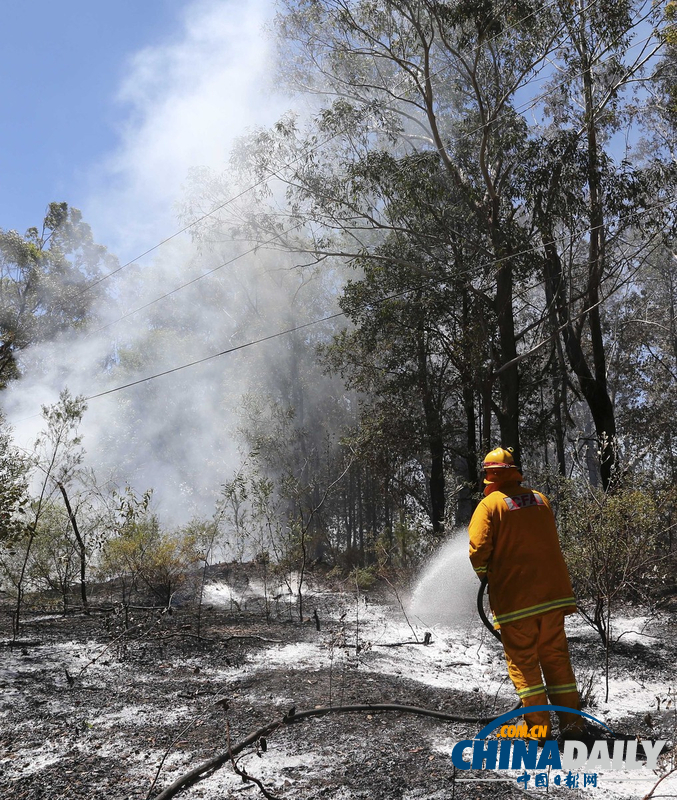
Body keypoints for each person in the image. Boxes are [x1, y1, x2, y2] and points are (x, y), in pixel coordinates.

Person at [468, 447, 581, 741]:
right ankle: (573, 727)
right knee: (556, 660)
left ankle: (538, 731)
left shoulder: (489, 505)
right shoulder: (540, 499)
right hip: (553, 597)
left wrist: (487, 575)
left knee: (525, 666)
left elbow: (478, 550)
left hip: (516, 602)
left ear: (489, 475)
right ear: (515, 472)